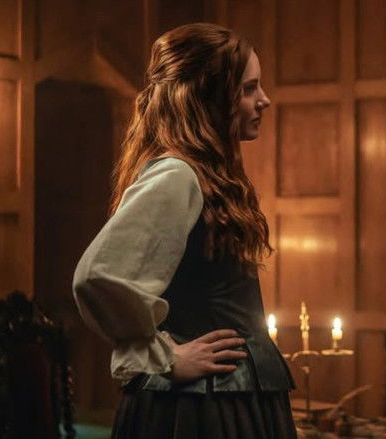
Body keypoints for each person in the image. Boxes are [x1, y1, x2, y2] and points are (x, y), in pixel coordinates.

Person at [72, 23, 297, 439]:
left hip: (229, 397)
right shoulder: (177, 175)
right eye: (249, 89)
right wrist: (163, 356)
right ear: (210, 99)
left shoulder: (205, 176)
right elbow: (97, 276)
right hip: (200, 408)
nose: (264, 99)